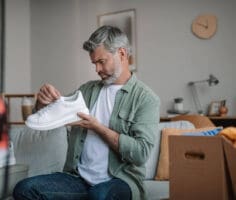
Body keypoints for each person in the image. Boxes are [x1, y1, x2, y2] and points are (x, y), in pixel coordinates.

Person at [13, 25, 160, 200]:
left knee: (99, 195)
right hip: (79, 180)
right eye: (94, 63)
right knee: (24, 189)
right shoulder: (87, 90)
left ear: (121, 54)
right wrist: (42, 101)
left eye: (101, 62)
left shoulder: (146, 99)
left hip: (120, 181)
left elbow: (141, 153)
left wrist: (98, 128)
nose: (96, 69)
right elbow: (49, 115)